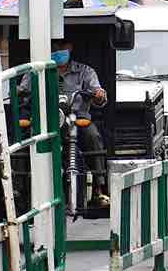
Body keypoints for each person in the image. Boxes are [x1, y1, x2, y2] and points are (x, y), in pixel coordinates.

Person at [28, 39, 109, 207]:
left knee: (93, 136)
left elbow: (98, 93)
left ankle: (98, 189)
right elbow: (22, 91)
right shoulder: (36, 70)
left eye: (62, 46)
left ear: (70, 47)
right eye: (54, 47)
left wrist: (99, 95)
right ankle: (24, 190)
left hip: (77, 119)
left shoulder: (85, 71)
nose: (58, 50)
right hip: (47, 120)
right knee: (26, 140)